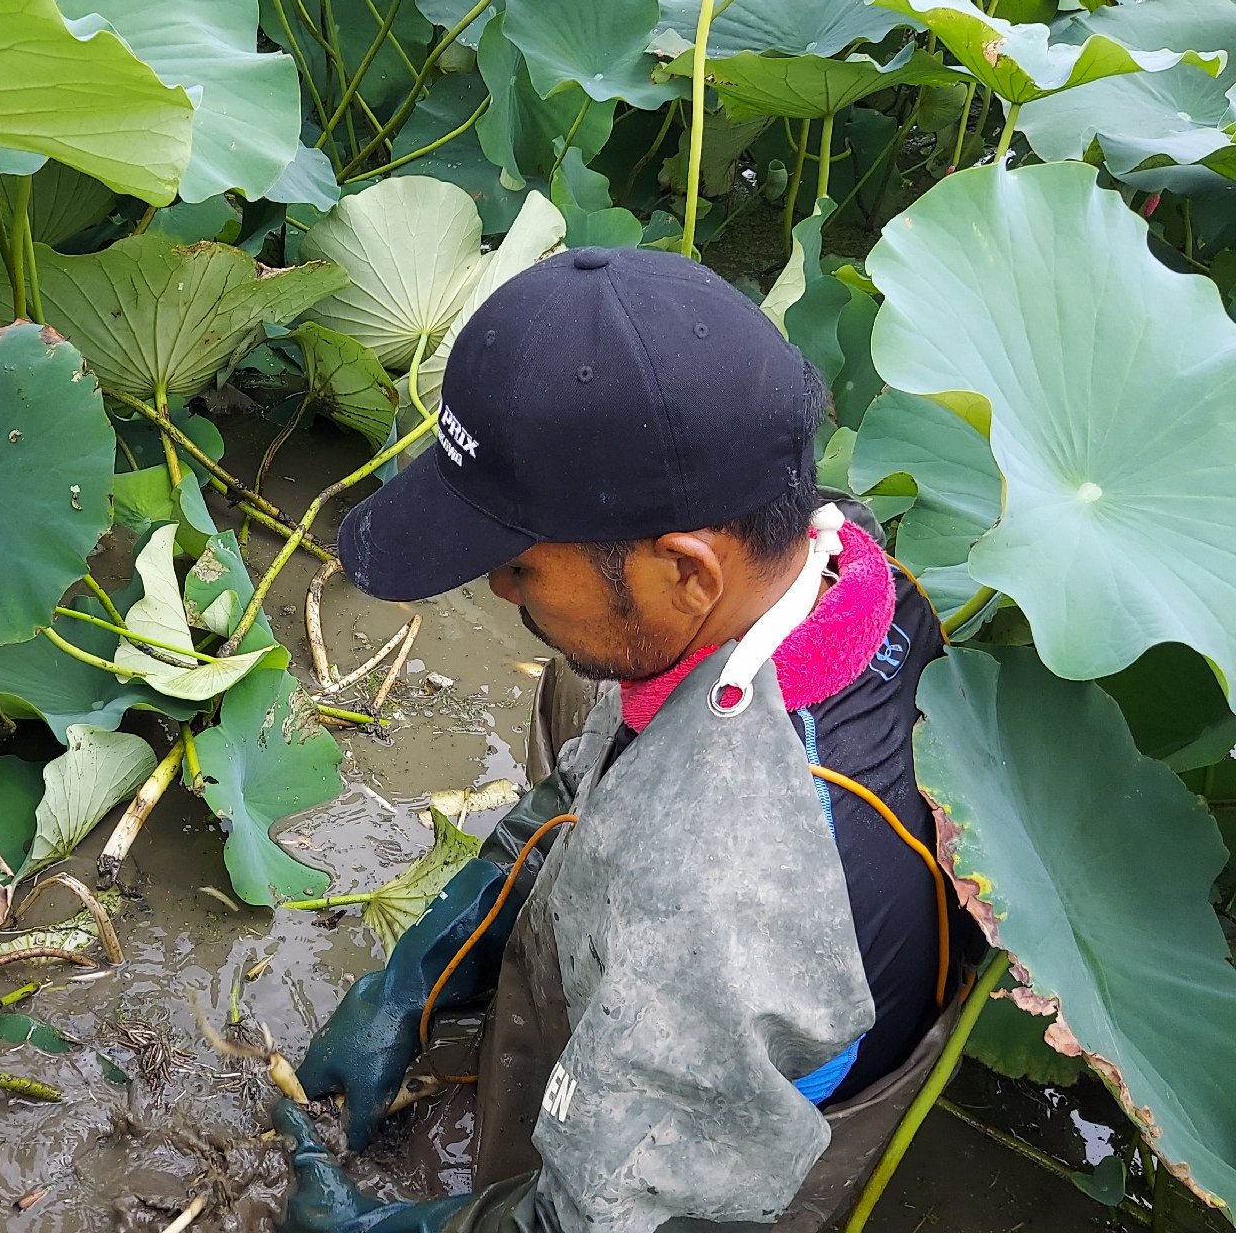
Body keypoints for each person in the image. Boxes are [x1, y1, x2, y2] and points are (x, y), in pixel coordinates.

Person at [274, 247, 968, 1233]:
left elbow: (597, 1220)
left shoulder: (723, 885)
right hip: (738, 880)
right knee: (577, 667)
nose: (495, 589)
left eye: (519, 564)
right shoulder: (822, 558)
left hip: (728, 1129)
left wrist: (379, 1231)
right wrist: (413, 981)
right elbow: (578, 788)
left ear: (686, 571)